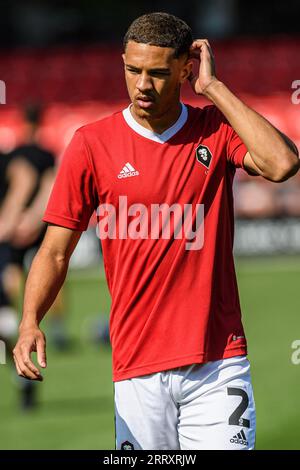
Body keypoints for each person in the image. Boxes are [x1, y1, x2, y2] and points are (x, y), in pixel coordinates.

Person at [13, 12, 299, 449]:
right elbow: (54, 252)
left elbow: (282, 163)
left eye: (159, 73)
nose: (142, 85)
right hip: (135, 368)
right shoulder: (91, 144)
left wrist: (214, 89)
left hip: (218, 363)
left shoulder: (216, 129)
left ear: (186, 70)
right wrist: (30, 320)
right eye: (133, 70)